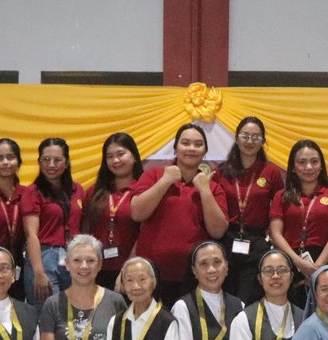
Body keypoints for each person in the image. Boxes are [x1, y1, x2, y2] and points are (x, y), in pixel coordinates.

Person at [129, 123, 230, 304]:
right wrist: (166, 181)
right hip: (151, 275)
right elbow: (137, 213)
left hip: (194, 277)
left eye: (198, 144)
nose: (191, 148)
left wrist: (204, 190)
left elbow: (218, 231)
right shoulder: (154, 175)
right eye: (185, 143)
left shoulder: (213, 186)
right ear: (175, 148)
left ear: (205, 152)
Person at [267, 139, 328, 309]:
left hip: (323, 260)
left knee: (325, 313)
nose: (309, 167)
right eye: (302, 162)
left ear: (321, 165)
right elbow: (275, 233)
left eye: (314, 161)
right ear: (293, 167)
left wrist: (317, 267)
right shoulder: (281, 196)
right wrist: (298, 262)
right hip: (289, 261)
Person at [218, 117, 286, 302]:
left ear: (263, 141)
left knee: (248, 297)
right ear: (237, 138)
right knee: (225, 295)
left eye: (255, 137)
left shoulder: (270, 172)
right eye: (245, 136)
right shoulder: (222, 171)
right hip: (227, 240)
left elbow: (281, 209)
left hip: (257, 242)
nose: (250, 141)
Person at [77, 132, 143, 292]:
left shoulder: (144, 190)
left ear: (134, 156)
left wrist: (130, 267)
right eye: (110, 156)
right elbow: (85, 229)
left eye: (121, 154)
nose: (115, 161)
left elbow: (146, 232)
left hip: (131, 271)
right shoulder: (96, 191)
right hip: (95, 270)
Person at [22, 137, 83, 303]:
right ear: (39, 162)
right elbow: (31, 234)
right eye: (46, 160)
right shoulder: (33, 192)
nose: (51, 165)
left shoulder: (77, 190)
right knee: (49, 317)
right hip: (44, 257)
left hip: (73, 258)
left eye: (57, 160)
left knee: (73, 316)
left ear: (67, 162)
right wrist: (38, 272)